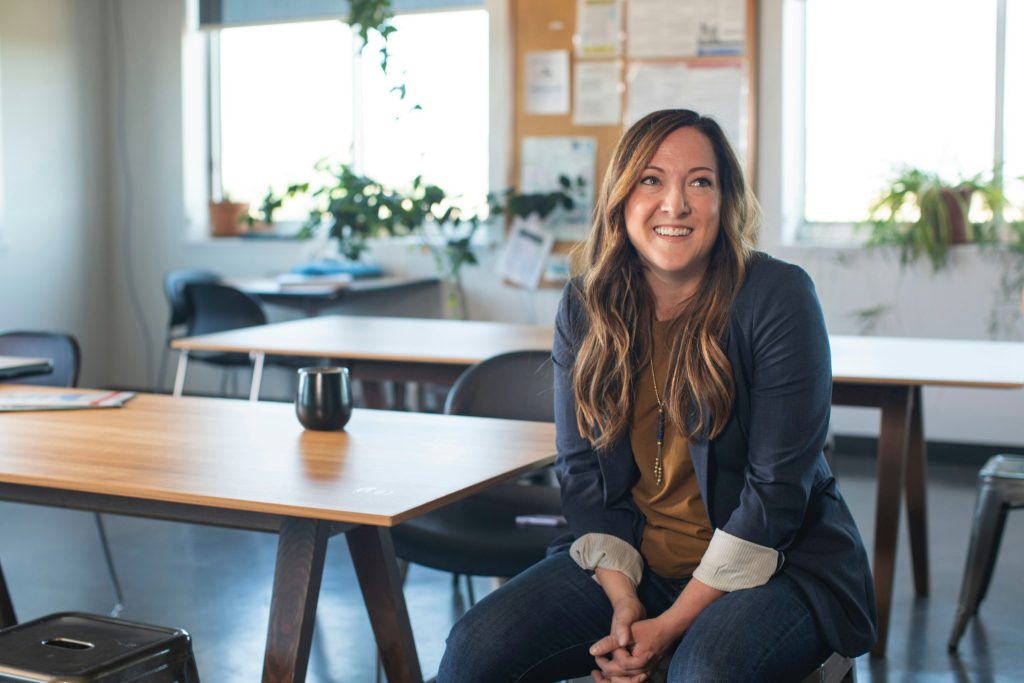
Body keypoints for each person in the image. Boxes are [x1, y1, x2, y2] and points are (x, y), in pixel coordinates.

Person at [436, 109, 877, 682]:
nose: (675, 204)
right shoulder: (584, 305)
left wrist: (665, 632)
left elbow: (776, 496)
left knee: (703, 672)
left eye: (700, 181)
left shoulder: (777, 296)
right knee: (476, 647)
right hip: (634, 563)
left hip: (777, 567)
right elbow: (582, 476)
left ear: (726, 201)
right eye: (651, 180)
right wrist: (624, 607)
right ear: (621, 197)